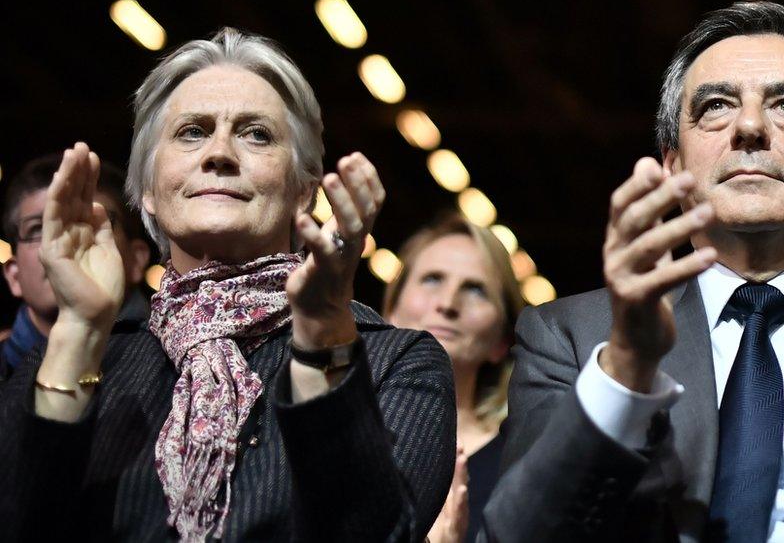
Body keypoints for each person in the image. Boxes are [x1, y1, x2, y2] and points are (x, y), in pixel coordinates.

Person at [483, 1, 784, 542]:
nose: (749, 127)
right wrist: (627, 366)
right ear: (673, 165)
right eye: (716, 106)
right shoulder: (571, 336)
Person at [0, 28, 454, 541]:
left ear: (303, 192)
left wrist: (324, 341)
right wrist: (80, 331)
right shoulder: (84, 353)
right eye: (192, 131)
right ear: (148, 190)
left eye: (256, 133)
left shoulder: (395, 362)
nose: (219, 153)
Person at [384, 214, 524, 543]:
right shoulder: (338, 429)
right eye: (432, 279)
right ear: (392, 308)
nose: (447, 304)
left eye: (475, 289)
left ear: (502, 341)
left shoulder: (520, 464)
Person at [1, 155, 151, 378]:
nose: (60, 240)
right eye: (37, 229)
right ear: (14, 276)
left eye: (87, 221)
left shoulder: (181, 366)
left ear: (136, 260)